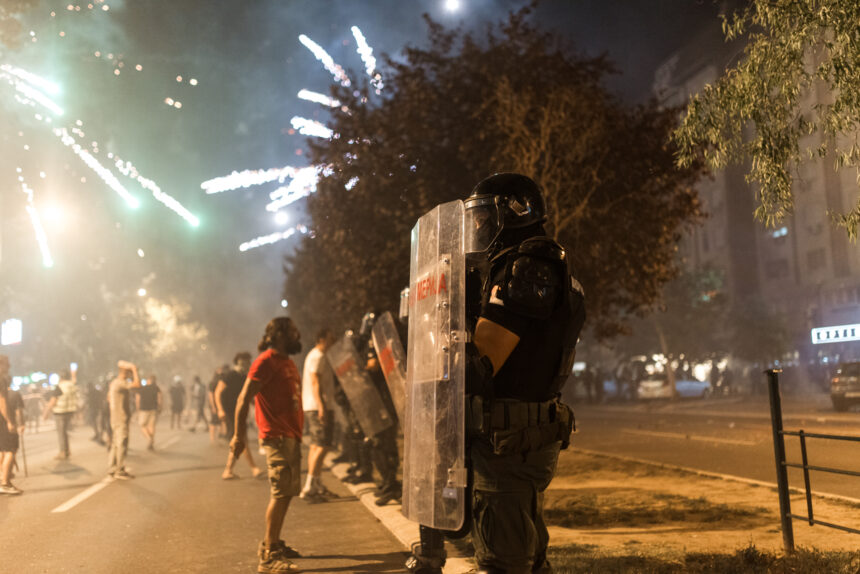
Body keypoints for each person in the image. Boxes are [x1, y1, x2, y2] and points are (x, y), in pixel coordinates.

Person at [407, 174, 585, 573]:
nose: (477, 227)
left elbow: (477, 370)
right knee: (524, 557)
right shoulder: (530, 264)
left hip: (510, 443)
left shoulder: (527, 268)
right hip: (515, 439)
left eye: (484, 216)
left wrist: (445, 323)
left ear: (515, 211)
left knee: (504, 562)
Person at [230, 317, 304, 573]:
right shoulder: (265, 362)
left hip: (292, 437)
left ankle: (274, 543)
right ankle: (269, 556)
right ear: (281, 334)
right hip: (276, 437)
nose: (298, 336)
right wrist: (238, 436)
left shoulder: (288, 362)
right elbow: (242, 400)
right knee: (280, 493)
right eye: (293, 332)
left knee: (287, 493)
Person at [299, 328, 336, 501]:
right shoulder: (318, 356)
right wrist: (322, 406)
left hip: (313, 405)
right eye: (330, 338)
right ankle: (309, 486)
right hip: (319, 406)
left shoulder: (314, 355)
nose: (333, 341)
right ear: (321, 339)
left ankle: (316, 482)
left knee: (316, 445)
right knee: (323, 445)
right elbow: (315, 382)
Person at [218, 353, 262, 479]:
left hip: (240, 411)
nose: (247, 364)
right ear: (238, 361)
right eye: (244, 361)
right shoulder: (230, 375)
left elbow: (248, 395)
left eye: (248, 361)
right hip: (230, 412)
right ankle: (253, 468)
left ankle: (228, 470)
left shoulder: (245, 377)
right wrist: (220, 410)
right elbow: (217, 392)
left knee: (239, 439)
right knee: (242, 439)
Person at [108, 361, 142, 479]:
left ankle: (112, 468)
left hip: (115, 416)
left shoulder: (114, 383)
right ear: (126, 373)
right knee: (122, 443)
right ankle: (119, 470)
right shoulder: (121, 383)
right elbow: (137, 385)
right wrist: (133, 368)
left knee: (115, 443)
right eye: (130, 374)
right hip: (120, 417)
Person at [43, 367, 80, 460]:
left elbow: (53, 401)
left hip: (60, 412)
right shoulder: (72, 385)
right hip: (70, 411)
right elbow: (74, 380)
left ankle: (63, 452)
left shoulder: (59, 386)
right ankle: (67, 450)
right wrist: (74, 374)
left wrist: (46, 413)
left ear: (61, 377)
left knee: (61, 433)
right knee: (65, 432)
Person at [0, 355, 24, 495]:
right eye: (7, 364)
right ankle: (5, 483)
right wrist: (9, 421)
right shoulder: (1, 379)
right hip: (2, 420)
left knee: (2, 449)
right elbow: (1, 401)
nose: (9, 366)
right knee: (10, 449)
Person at [136, 374, 162, 451]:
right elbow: (159, 398)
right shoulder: (156, 388)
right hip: (153, 409)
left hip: (143, 409)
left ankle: (149, 438)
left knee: (142, 425)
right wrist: (160, 407)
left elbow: (137, 398)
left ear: (148, 380)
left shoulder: (142, 388)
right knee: (151, 426)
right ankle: (151, 441)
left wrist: (138, 408)